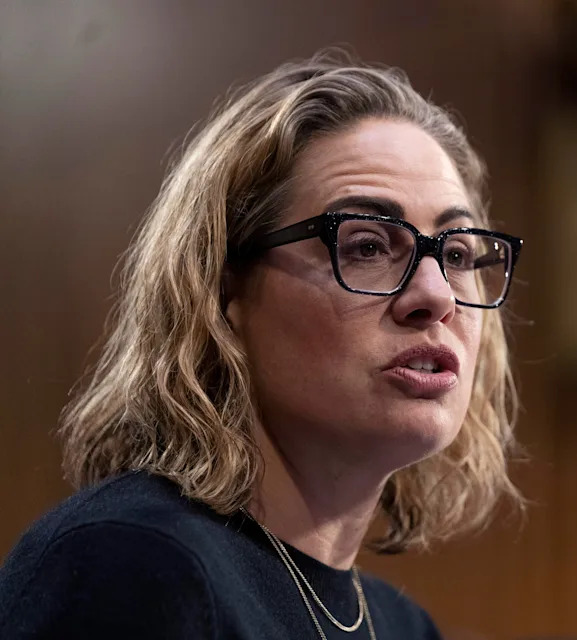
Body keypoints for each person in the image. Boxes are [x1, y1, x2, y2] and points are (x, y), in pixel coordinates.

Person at [0, 50, 524, 639]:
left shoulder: (403, 626)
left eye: (455, 255)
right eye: (367, 246)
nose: (436, 296)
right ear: (224, 288)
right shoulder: (133, 566)